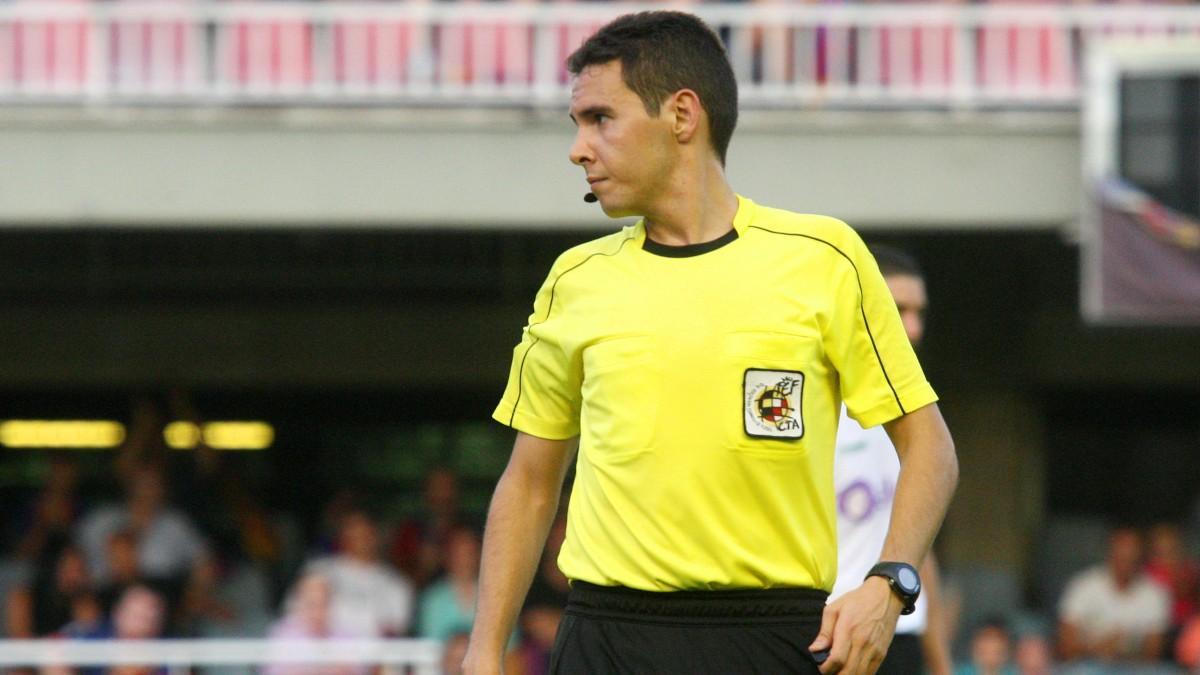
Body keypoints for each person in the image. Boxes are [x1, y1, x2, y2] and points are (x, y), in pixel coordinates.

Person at [462, 10, 958, 675]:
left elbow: (930, 446)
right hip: (606, 638)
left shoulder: (826, 259)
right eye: (577, 125)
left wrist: (889, 583)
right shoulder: (573, 281)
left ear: (683, 115)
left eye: (599, 118)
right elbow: (528, 483)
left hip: (777, 638)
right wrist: (483, 652)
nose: (579, 147)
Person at [830, 245, 955, 675]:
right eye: (898, 309)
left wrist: (939, 662)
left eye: (919, 312)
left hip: (899, 635)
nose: (913, 328)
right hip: (833, 631)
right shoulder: (818, 411)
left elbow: (919, 546)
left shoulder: (912, 423)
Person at [1057, 526, 1171, 665]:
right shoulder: (1083, 586)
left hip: (1133, 667)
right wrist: (1100, 648)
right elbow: (1065, 647)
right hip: (1088, 665)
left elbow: (1153, 653)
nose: (1126, 563)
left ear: (1140, 559)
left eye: (1131, 558)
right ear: (1110, 555)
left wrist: (1122, 651)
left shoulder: (1155, 594)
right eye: (1121, 557)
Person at [299, 508, 415, 638]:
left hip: (373, 657)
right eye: (351, 529)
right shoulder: (318, 571)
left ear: (376, 535)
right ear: (341, 535)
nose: (358, 537)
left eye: (365, 531)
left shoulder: (396, 583)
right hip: (321, 655)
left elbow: (393, 633)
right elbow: (295, 617)